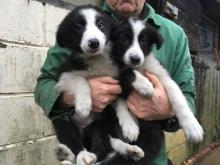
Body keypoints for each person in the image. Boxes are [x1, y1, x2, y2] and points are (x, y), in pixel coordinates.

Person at [34, 0, 196, 164]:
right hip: (92, 149)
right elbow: (43, 85)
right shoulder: (81, 24)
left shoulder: (175, 35)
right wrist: (72, 96)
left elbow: (188, 97)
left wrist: (167, 110)